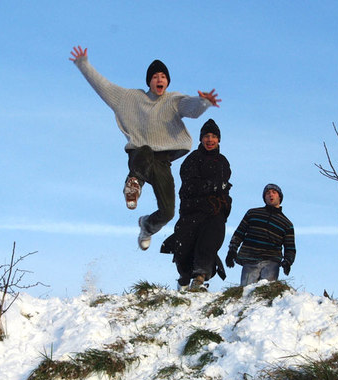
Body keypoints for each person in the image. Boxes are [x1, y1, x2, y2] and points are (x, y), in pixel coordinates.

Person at [69, 46, 221, 251]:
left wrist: (203, 102)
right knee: (145, 150)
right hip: (139, 154)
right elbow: (103, 86)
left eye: (163, 77)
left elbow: (190, 108)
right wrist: (83, 64)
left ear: (167, 81)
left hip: (162, 161)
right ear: (149, 81)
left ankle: (147, 226)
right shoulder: (129, 98)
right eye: (155, 76)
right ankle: (133, 185)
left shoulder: (173, 100)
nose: (160, 79)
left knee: (168, 212)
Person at [160, 119, 232, 291]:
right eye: (206, 136)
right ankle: (184, 280)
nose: (210, 140)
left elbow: (225, 187)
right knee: (185, 247)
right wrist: (210, 187)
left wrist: (224, 204)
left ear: (218, 140)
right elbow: (188, 186)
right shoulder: (192, 159)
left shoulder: (223, 162)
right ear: (201, 139)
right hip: (192, 210)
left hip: (214, 211)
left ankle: (199, 278)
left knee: (209, 242)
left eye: (214, 136)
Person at [225, 184, 296, 286]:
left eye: (274, 192)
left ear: (279, 197)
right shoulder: (252, 213)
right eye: (267, 193)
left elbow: (290, 247)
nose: (270, 195)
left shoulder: (287, 224)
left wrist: (288, 262)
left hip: (271, 261)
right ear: (264, 198)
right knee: (246, 293)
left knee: (265, 294)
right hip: (250, 259)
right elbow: (239, 233)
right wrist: (232, 250)